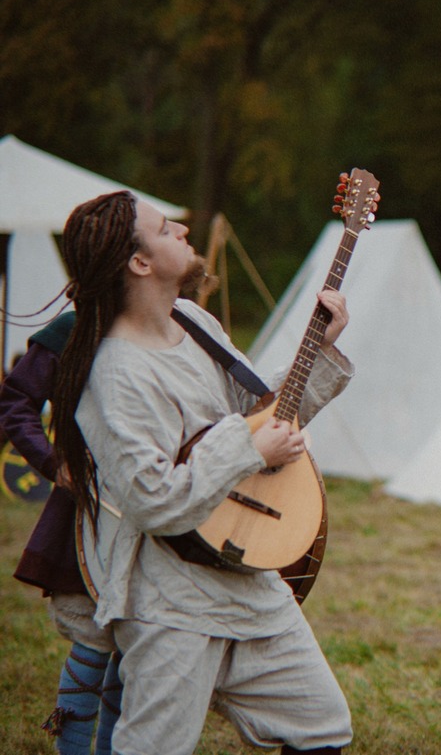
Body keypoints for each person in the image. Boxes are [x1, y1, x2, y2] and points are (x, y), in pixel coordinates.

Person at [50, 190, 355, 755]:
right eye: (167, 230)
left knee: (322, 726)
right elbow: (153, 501)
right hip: (171, 599)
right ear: (140, 263)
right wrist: (249, 448)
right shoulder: (116, 373)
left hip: (245, 577)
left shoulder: (191, 319)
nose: (184, 232)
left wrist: (321, 351)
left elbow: (258, 415)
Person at [5, 310, 123, 755]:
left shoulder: (177, 322)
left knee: (135, 651)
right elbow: (15, 399)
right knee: (93, 641)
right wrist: (53, 461)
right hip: (89, 511)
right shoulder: (75, 327)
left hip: (156, 512)